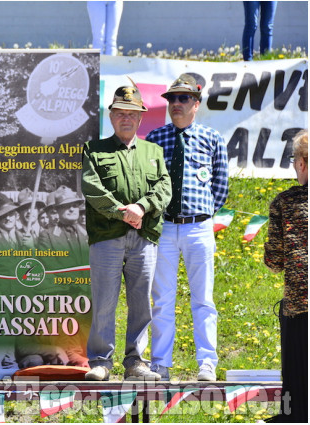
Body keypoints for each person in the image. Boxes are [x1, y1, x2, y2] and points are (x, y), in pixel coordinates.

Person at [82, 83, 171, 381]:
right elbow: (92, 188)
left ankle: (136, 363)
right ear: (111, 116)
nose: (126, 118)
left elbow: (164, 188)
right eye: (120, 112)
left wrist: (142, 208)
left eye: (132, 114)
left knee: (141, 302)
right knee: (105, 300)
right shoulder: (94, 150)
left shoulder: (153, 151)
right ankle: (100, 362)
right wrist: (123, 211)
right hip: (107, 236)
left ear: (141, 118)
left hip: (144, 237)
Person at [147, 74, 229, 382]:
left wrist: (203, 214)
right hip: (164, 228)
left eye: (183, 99)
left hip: (198, 227)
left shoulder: (212, 138)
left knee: (204, 299)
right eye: (171, 99)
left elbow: (220, 187)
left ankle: (207, 362)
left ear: (196, 103)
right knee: (163, 299)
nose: (176, 104)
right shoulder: (155, 138)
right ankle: (160, 364)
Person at [263, 129, 307, 423]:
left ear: (302, 163)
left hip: (300, 304)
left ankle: (294, 416)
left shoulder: (286, 202)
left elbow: (275, 261)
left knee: (297, 370)